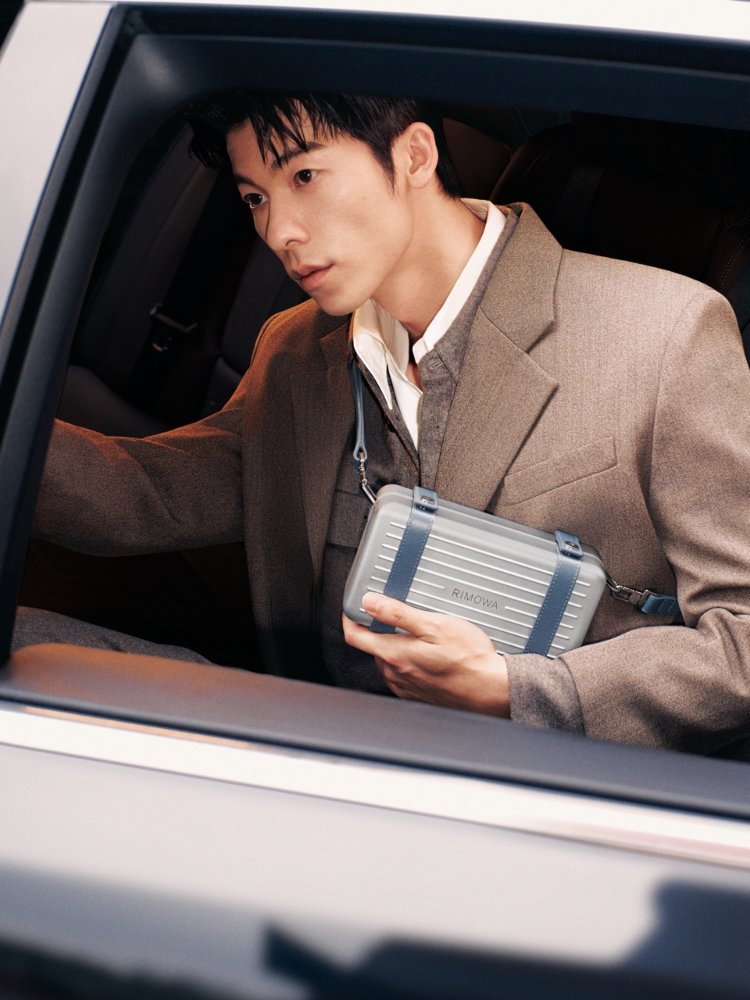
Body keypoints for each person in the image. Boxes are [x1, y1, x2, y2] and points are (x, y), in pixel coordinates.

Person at [15, 91, 750, 754]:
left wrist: (520, 691)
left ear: (414, 156)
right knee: (24, 644)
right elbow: (155, 493)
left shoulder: (664, 334)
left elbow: (742, 638)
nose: (279, 231)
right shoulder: (295, 349)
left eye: (304, 176)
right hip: (315, 746)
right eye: (254, 198)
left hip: (542, 788)